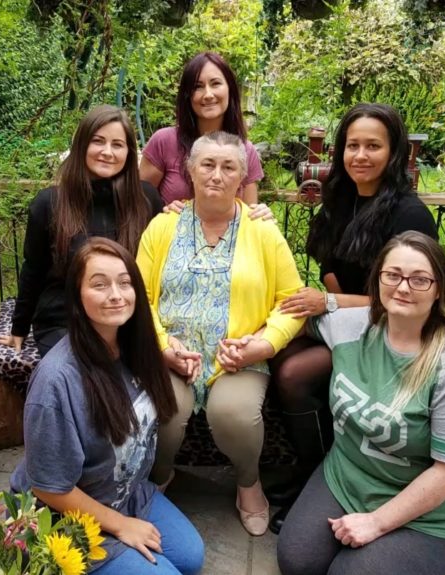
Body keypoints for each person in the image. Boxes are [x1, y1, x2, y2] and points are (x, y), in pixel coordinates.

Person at [276, 231, 445, 575]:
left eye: (420, 279)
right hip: (347, 476)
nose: (404, 287)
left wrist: (377, 523)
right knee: (297, 562)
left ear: (439, 289)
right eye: (392, 275)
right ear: (377, 280)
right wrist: (248, 345)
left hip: (433, 514)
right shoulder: (351, 327)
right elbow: (290, 322)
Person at [267, 103, 438, 532]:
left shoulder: (408, 215)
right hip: (347, 314)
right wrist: (335, 307)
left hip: (392, 328)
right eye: (352, 145)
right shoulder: (341, 199)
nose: (360, 155)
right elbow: (330, 266)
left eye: (373, 146)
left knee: (294, 374)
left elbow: (402, 297)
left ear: (394, 151)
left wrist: (330, 306)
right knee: (271, 348)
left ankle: (319, 476)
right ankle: (313, 463)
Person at [137, 131, 304, 537]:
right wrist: (161, 348)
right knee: (166, 412)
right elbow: (139, 295)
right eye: (207, 165)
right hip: (174, 356)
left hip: (239, 356)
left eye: (228, 167)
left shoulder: (262, 230)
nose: (216, 174)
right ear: (190, 172)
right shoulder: (163, 226)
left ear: (241, 176)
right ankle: (159, 479)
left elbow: (292, 300)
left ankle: (248, 483)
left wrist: (261, 345)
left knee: (232, 413)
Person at [10, 237, 204, 575]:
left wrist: (168, 359)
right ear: (77, 295)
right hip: (62, 515)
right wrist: (119, 525)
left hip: (124, 493)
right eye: (99, 285)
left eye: (125, 282)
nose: (115, 294)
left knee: (191, 557)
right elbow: (47, 486)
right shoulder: (57, 380)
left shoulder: (134, 349)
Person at [0, 105, 163, 357]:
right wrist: (19, 328)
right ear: (82, 145)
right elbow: (33, 269)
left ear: (129, 153)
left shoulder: (146, 200)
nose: (107, 152)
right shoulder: (50, 203)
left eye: (117, 144)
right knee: (89, 371)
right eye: (98, 141)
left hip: (125, 320)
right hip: (64, 323)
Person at [140, 51, 264, 206]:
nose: (208, 94)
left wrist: (261, 215)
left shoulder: (245, 150)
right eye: (198, 86)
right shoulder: (164, 142)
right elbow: (139, 207)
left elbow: (250, 217)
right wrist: (165, 214)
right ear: (188, 95)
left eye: (215, 83)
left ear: (230, 89)